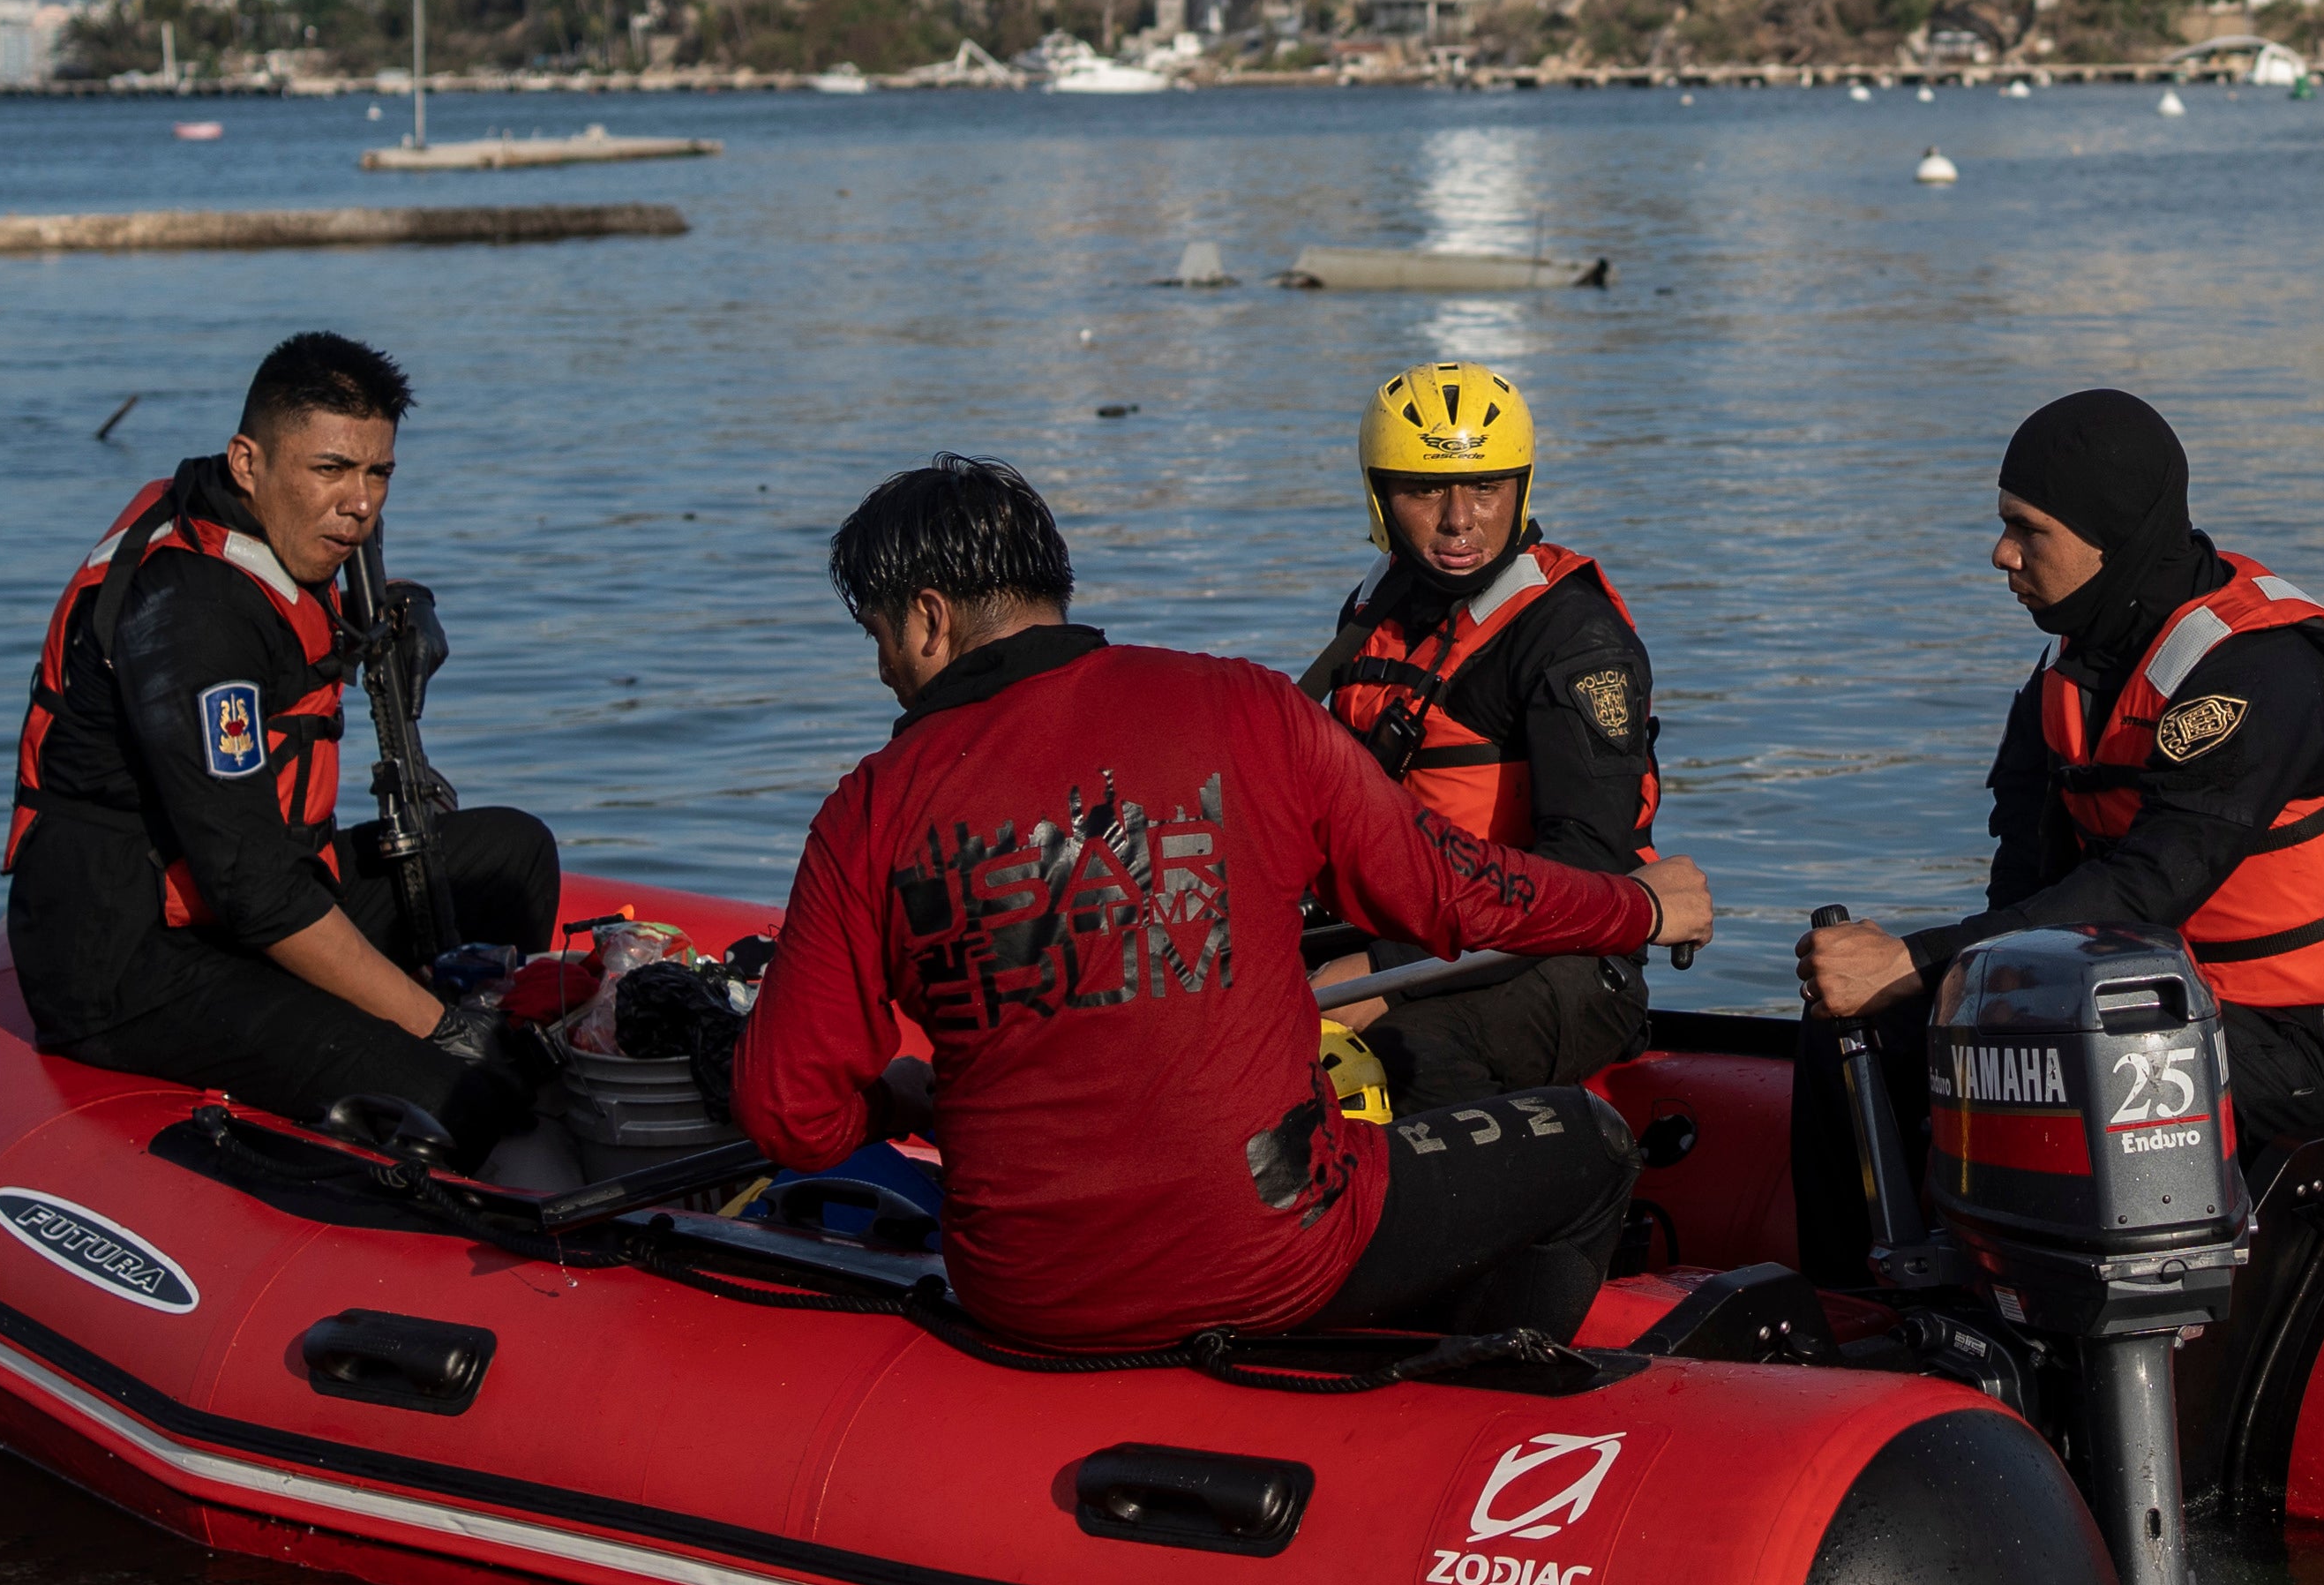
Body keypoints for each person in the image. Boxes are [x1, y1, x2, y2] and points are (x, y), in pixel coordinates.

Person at [732, 456, 1720, 1349]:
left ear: (929, 617)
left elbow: (788, 1113)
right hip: (1277, 1248)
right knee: (1589, 1143)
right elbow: (1453, 891)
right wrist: (1635, 907)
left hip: (1027, 1293)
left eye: (879, 637)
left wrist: (895, 1096)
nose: (884, 669)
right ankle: (1448, 1410)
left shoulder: (865, 810)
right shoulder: (1243, 707)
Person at [1797, 388, 2324, 1187]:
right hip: (2148, 992)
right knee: (1851, 1021)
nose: (2001, 554)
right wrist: (1936, 987)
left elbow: (2148, 887)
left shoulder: (2257, 674)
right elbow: (2025, 882)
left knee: (2063, 1041)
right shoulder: (2076, 669)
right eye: (2004, 524)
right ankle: (1858, 1292)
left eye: (2027, 530)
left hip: (2314, 1041)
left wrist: (1916, 959)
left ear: (2111, 538)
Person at [5, 329, 565, 1153]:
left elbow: (304, 622)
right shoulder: (188, 614)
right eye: (331, 470)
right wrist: (440, 1029)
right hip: (131, 955)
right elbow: (256, 894)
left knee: (514, 853)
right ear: (247, 461)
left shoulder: (267, 528)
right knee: (461, 1093)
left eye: (379, 473)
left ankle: (438, 1030)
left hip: (243, 894)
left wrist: (409, 606)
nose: (361, 504)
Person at [1299, 359, 1662, 1100]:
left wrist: (1383, 978)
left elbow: (1587, 864)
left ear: (1520, 488)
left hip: (1561, 954)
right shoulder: (1377, 611)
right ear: (1380, 497)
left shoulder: (1571, 637)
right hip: (1408, 935)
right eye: (1425, 489)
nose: (1459, 520)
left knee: (1411, 1053)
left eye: (1485, 488)